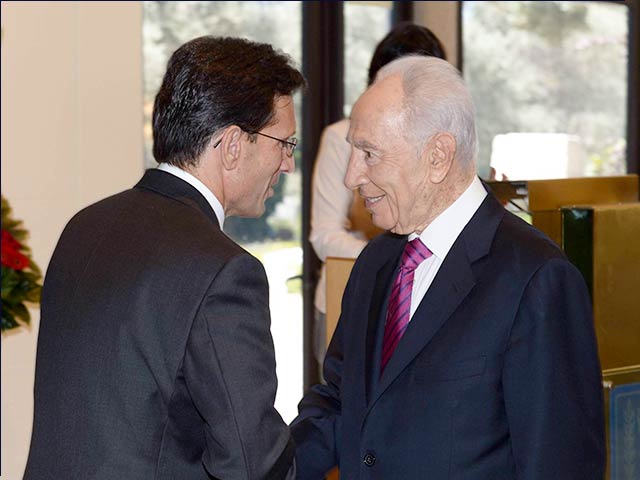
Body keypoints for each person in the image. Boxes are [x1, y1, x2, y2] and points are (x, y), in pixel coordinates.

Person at [292, 56, 605, 478]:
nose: (351, 177)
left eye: (368, 153)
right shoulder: (374, 263)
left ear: (438, 156)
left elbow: (560, 464)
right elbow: (339, 401)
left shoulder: (536, 277)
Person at [24, 36, 305, 480]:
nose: (288, 163)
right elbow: (251, 460)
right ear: (234, 144)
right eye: (284, 143)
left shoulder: (85, 227)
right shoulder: (224, 270)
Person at [310, 23, 446, 368]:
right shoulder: (340, 138)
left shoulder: (443, 145)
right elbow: (324, 235)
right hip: (350, 298)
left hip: (423, 302)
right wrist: (400, 258)